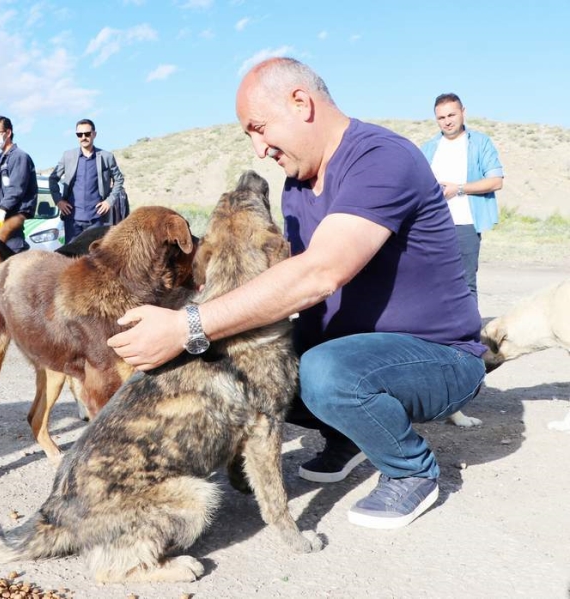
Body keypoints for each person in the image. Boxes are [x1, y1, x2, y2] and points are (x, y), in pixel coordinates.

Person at [107, 58, 487, 530]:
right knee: (255, 362)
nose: (258, 148)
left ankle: (411, 468)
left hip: (438, 357)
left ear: (301, 103)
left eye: (259, 128)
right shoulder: (298, 186)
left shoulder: (380, 158)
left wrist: (189, 325)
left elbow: (319, 273)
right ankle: (349, 436)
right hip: (358, 353)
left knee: (324, 372)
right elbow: (280, 282)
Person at [421, 93, 504, 299]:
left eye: (452, 115)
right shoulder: (429, 148)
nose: (447, 121)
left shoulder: (480, 143)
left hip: (466, 225)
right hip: (433, 226)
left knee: (466, 285)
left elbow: (496, 181)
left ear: (463, 113)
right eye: (441, 118)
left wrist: (458, 188)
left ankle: (469, 332)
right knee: (433, 283)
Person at [48, 119, 126, 242]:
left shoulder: (106, 157)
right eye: (80, 134)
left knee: (95, 257)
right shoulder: (68, 156)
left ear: (94, 134)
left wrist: (109, 201)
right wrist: (59, 201)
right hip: (72, 219)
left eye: (87, 134)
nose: (83, 137)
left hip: (97, 219)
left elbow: (119, 180)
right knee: (72, 258)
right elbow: (53, 179)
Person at [0, 116, 38, 272]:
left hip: (9, 216)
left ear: (8, 132)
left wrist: (3, 210)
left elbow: (16, 187)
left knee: (14, 261)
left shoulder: (19, 157)